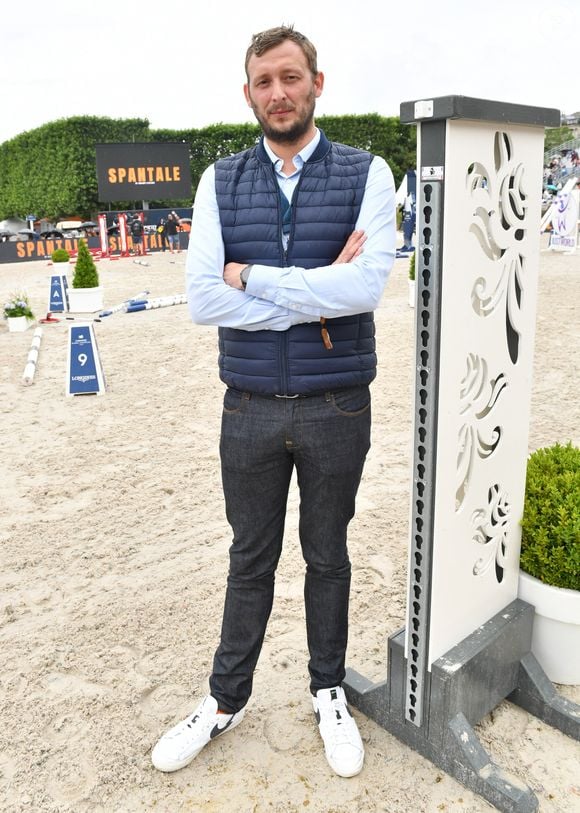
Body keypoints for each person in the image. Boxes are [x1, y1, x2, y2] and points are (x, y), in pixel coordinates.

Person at [151, 24, 395, 779]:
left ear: (317, 83)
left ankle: (327, 689)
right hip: (250, 403)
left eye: (291, 77)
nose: (279, 92)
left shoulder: (370, 172)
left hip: (336, 404)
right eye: (265, 81)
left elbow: (366, 288)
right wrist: (316, 291)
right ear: (250, 92)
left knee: (329, 555)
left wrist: (248, 278)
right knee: (249, 557)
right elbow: (199, 301)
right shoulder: (220, 180)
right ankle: (226, 698)